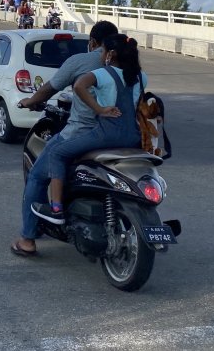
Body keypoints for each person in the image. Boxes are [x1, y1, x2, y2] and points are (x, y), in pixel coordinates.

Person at [12, 34, 146, 256]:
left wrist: (99, 109)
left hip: (94, 133)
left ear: (101, 47)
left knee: (45, 166)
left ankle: (34, 231)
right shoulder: (139, 76)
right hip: (131, 136)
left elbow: (66, 88)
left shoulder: (96, 69)